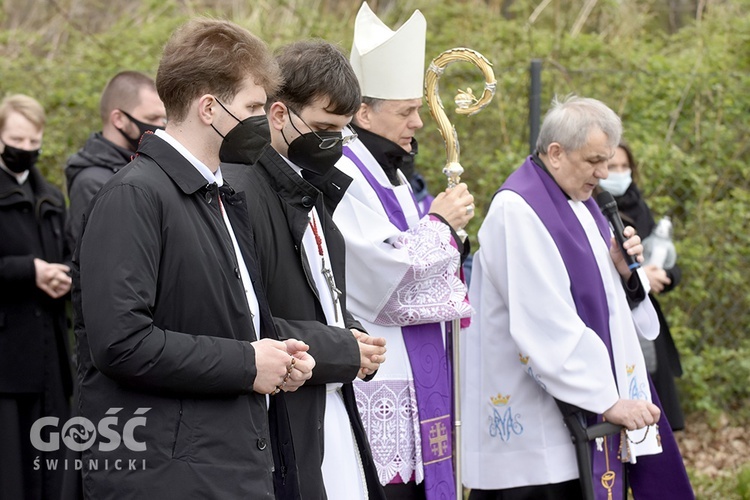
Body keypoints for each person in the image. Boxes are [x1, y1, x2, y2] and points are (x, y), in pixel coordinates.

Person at [72, 18, 314, 499]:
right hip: (169, 475)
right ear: (210, 108)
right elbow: (120, 343)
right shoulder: (135, 196)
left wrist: (278, 356)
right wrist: (247, 362)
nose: (262, 122)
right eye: (251, 107)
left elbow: (220, 321)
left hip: (225, 463)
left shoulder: (219, 196)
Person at [461, 95, 693, 499]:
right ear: (555, 153)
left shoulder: (582, 205)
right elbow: (543, 317)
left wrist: (627, 274)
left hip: (579, 419)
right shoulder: (518, 209)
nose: (603, 174)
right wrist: (606, 399)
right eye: (594, 161)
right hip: (536, 433)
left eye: (607, 162)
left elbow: (607, 306)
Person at [222, 40, 387, 500]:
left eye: (342, 131)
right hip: (282, 414)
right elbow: (244, 320)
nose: (332, 143)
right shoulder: (241, 192)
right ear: (278, 115)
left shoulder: (308, 188)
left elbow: (321, 290)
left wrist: (351, 331)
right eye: (321, 127)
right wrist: (342, 347)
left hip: (327, 401)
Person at [333, 3, 475, 498]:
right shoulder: (345, 172)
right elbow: (380, 277)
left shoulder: (390, 171)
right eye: (406, 110)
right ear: (363, 111)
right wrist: (441, 225)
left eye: (418, 107)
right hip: (379, 367)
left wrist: (453, 238)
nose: (419, 121)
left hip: (413, 371)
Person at [0, 94, 73, 499]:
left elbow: (68, 257)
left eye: (33, 142)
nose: (25, 150)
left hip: (50, 353)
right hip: (7, 359)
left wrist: (63, 277)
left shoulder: (50, 196)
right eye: (17, 140)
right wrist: (30, 270)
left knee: (52, 466)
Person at [601, 142, 685, 431]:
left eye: (625, 167)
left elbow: (665, 261)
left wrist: (665, 275)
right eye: (612, 167)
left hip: (647, 319)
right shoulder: (592, 211)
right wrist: (640, 276)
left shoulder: (640, 206)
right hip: (615, 320)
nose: (620, 173)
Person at [65, 71, 166, 251]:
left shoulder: (146, 164)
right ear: (118, 119)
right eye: (151, 118)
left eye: (163, 118)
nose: (161, 126)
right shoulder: (92, 181)